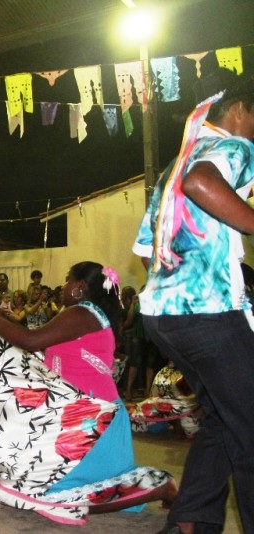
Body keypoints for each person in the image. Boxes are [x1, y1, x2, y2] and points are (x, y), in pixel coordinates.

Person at [0, 261, 176, 525]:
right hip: (83, 413)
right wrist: (0, 319)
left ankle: (161, 486)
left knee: (60, 498)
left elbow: (31, 341)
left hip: (94, 418)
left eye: (67, 280)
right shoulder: (86, 314)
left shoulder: (82, 313)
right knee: (51, 491)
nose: (63, 286)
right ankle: (157, 486)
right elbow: (36, 340)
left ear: (79, 288)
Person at [132, 70, 254, 534]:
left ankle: (192, 523)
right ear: (241, 110)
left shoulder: (175, 164)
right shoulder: (235, 147)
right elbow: (203, 184)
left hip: (164, 315)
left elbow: (146, 249)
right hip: (209, 312)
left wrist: (176, 291)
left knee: (224, 419)